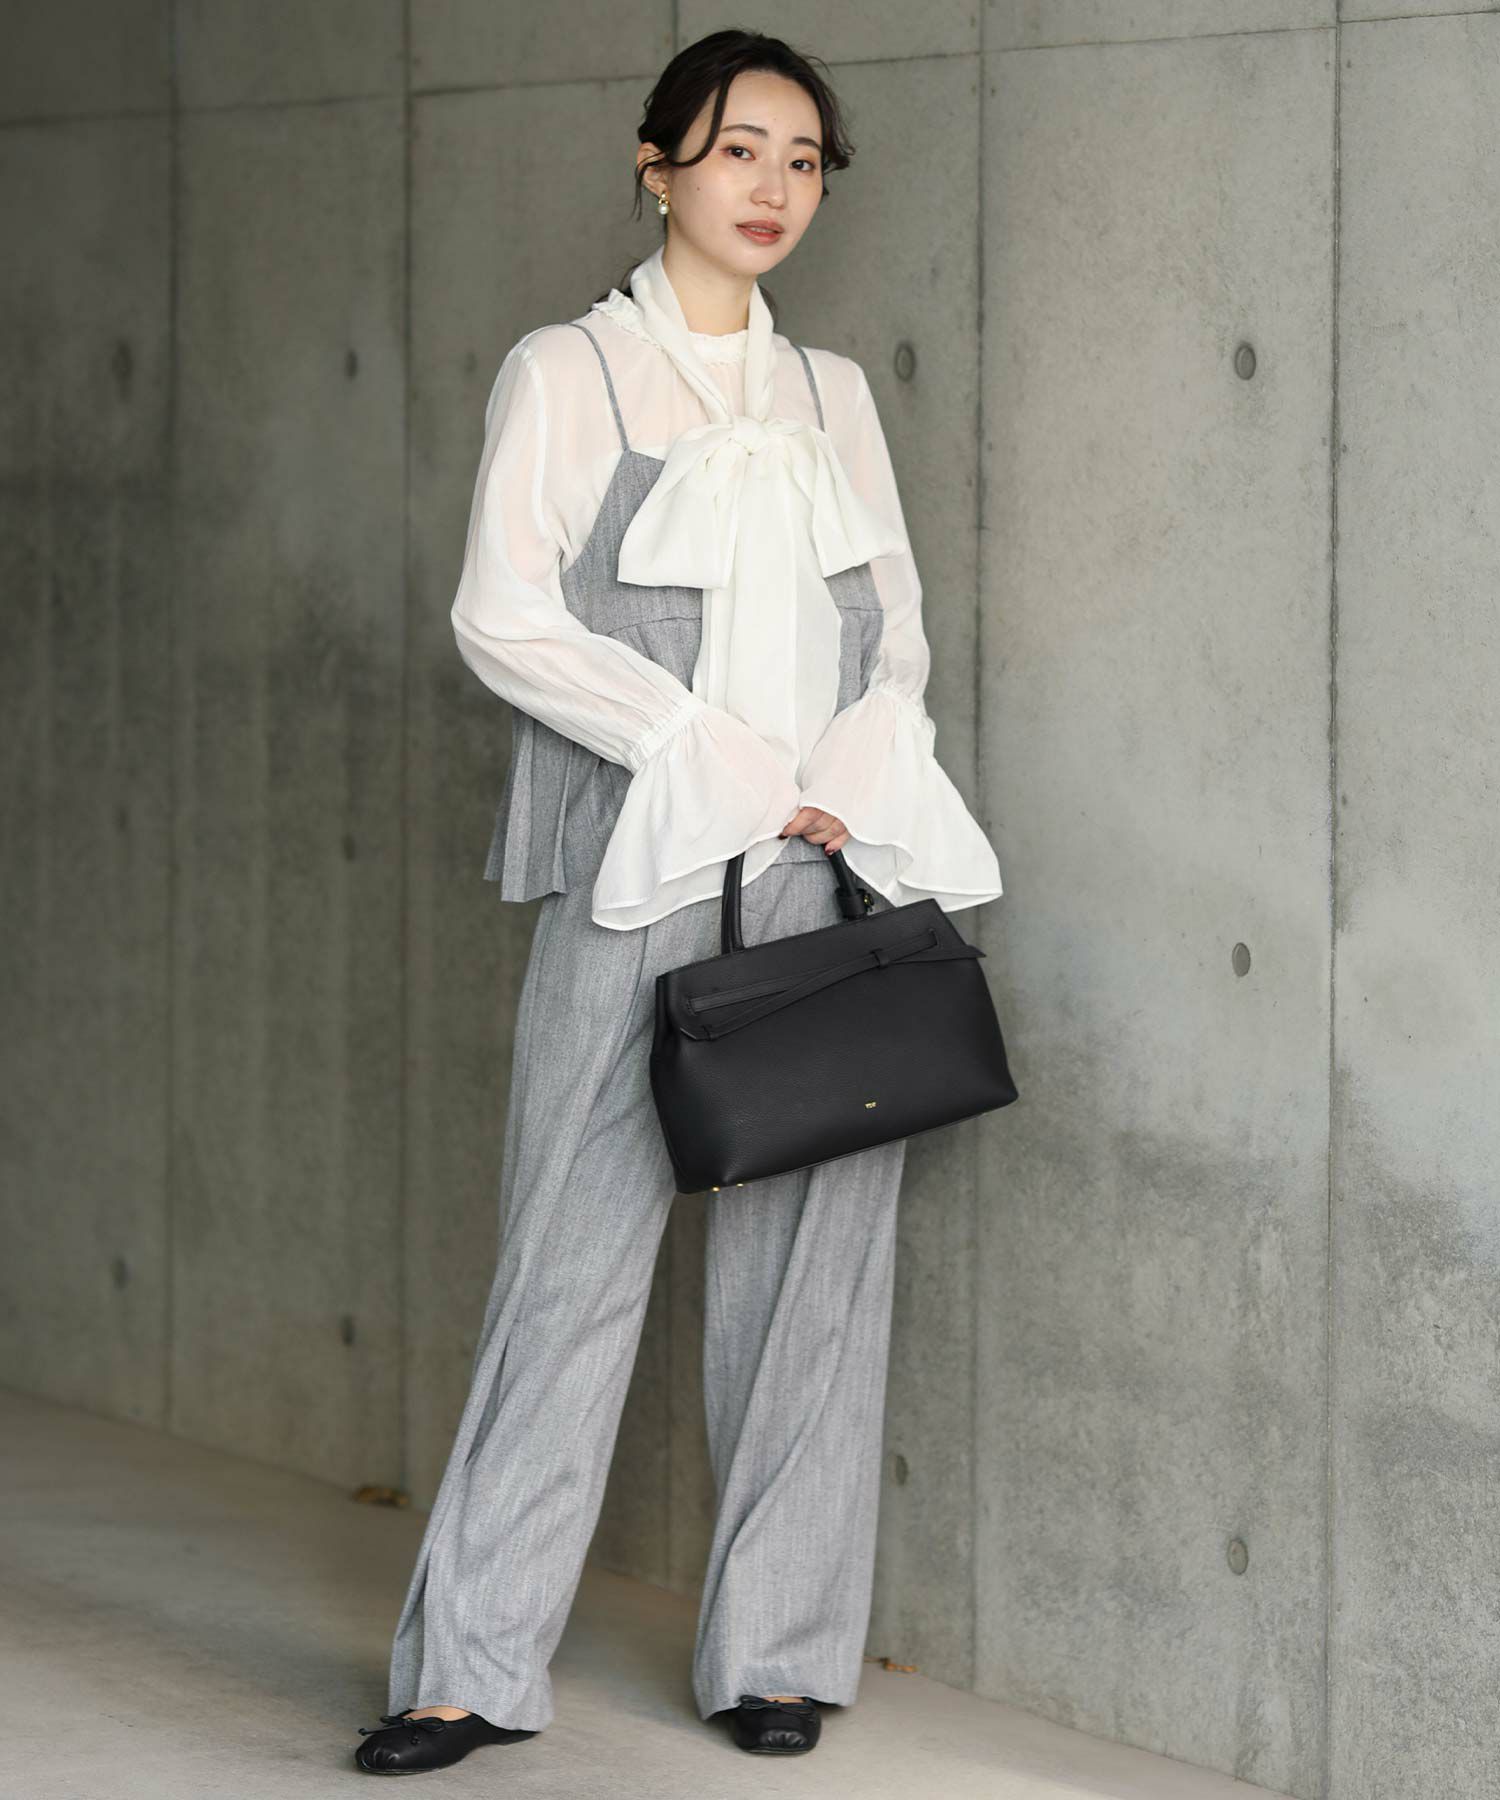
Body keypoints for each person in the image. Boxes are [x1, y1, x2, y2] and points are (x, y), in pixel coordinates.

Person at [351, 26, 1002, 1778]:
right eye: (736, 151)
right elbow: (504, 615)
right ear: (659, 168)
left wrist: (848, 772)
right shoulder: (570, 369)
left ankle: (776, 1654)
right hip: (644, 861)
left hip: (825, 863)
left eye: (802, 158)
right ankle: (467, 1668)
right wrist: (699, 753)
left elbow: (898, 628)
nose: (773, 186)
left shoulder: (833, 393)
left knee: (817, 1272)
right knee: (568, 1260)